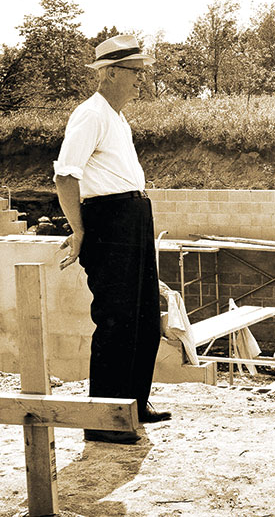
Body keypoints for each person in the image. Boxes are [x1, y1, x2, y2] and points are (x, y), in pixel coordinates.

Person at [54, 34, 170, 444]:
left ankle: (134, 404)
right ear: (111, 73)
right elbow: (66, 175)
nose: (141, 80)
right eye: (135, 72)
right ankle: (105, 419)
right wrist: (80, 229)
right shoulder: (90, 114)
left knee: (144, 316)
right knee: (116, 318)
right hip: (109, 222)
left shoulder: (117, 117)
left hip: (134, 216)